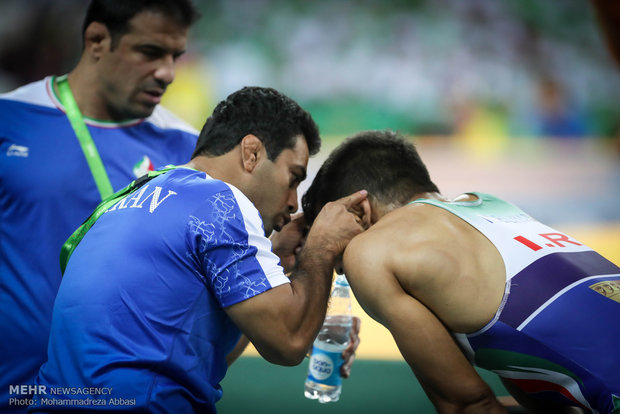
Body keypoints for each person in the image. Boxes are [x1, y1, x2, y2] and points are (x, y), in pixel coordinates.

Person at [28, 86, 365, 413]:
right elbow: (288, 343)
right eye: (293, 178)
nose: (292, 203)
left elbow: (202, 355)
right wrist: (320, 246)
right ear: (252, 153)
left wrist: (274, 261)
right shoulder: (222, 201)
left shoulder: (125, 198)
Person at [301, 130, 620, 414]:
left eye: (339, 262)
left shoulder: (372, 250)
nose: (344, 273)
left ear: (360, 210)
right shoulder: (491, 206)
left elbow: (467, 406)